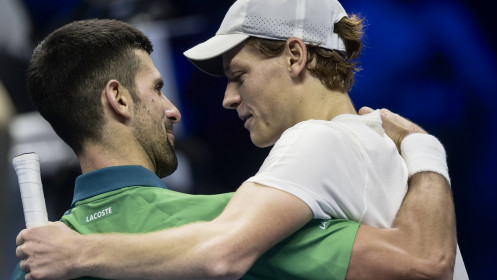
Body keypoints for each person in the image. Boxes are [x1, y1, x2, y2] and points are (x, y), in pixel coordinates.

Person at [14, 15, 455, 280]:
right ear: (119, 98)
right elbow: (420, 262)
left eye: (238, 76)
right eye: (158, 89)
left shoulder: (35, 261)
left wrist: (74, 252)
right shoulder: (239, 221)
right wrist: (422, 147)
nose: (174, 110)